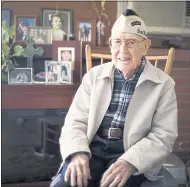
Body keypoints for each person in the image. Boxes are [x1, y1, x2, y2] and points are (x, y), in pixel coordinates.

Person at [50, 9, 178, 187]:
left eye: (131, 42)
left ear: (146, 46)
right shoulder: (93, 77)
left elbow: (163, 135)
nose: (122, 50)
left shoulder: (164, 84)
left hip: (131, 152)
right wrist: (78, 153)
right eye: (117, 42)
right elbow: (75, 121)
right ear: (111, 45)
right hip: (91, 150)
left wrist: (130, 162)